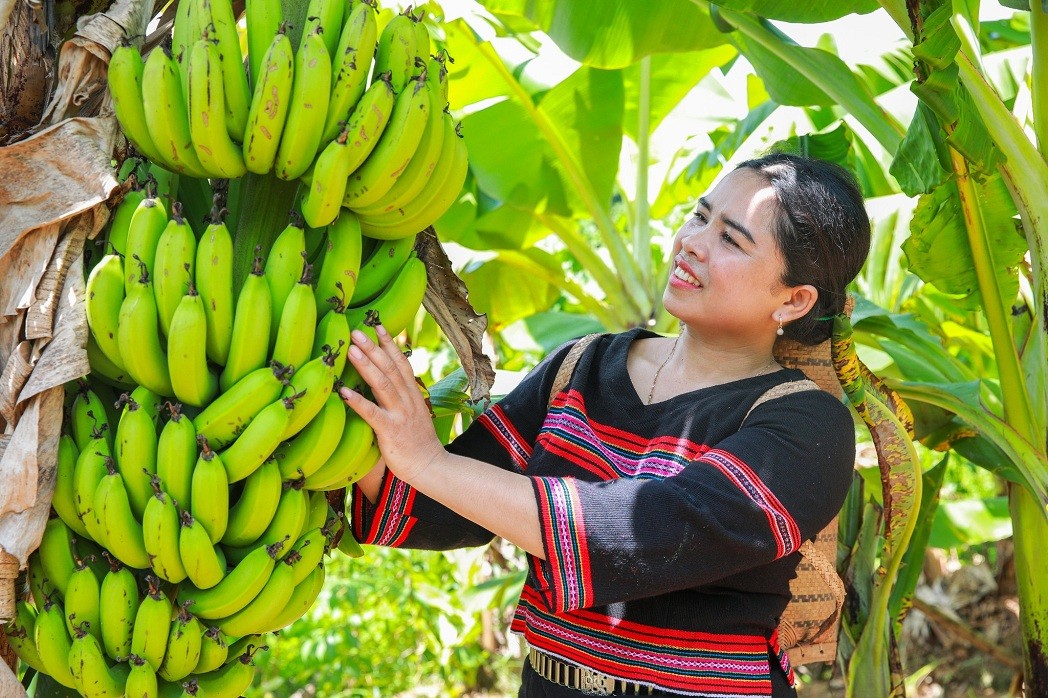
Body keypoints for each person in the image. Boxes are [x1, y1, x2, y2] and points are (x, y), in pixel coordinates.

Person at [338, 152, 871, 697]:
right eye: (699, 215)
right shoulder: (583, 367)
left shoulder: (809, 428)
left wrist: (428, 460)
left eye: (731, 239)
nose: (692, 242)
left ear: (794, 299)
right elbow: (445, 505)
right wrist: (345, 409)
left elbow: (643, 532)